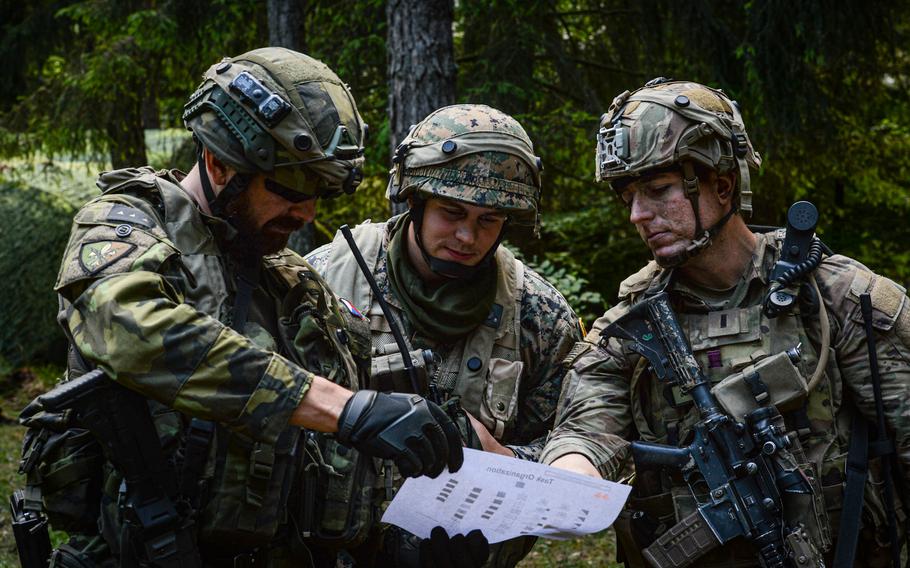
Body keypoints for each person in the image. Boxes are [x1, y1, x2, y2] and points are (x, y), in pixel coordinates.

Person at [18, 47, 463, 568]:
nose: (305, 212)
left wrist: (403, 537)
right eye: (290, 189)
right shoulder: (124, 227)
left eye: (318, 192)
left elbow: (331, 452)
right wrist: (341, 408)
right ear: (219, 163)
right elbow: (130, 329)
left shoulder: (288, 277)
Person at [539, 78, 910, 567]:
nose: (637, 215)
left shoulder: (837, 296)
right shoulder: (633, 322)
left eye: (656, 190)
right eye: (628, 196)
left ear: (721, 184)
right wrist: (574, 466)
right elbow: (588, 422)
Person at [305, 103, 583, 567]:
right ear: (414, 201)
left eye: (488, 220)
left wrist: (499, 456)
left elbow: (570, 452)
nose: (466, 237)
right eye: (451, 212)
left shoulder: (539, 315)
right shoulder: (325, 281)